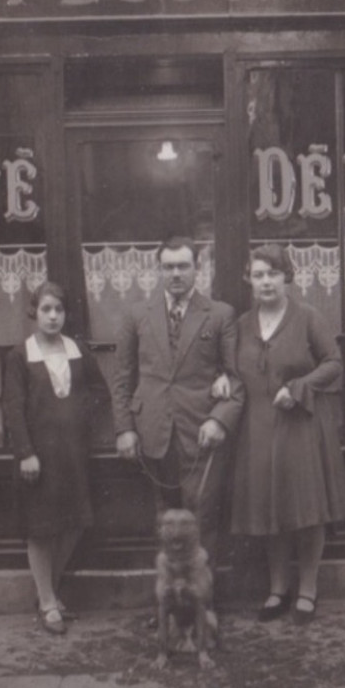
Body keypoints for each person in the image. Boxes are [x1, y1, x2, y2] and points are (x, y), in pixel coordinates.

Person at [230, 243, 345, 624]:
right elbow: (232, 371)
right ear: (248, 279)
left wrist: (299, 388)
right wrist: (223, 381)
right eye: (258, 274)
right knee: (270, 507)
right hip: (258, 429)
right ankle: (277, 588)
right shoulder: (240, 326)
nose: (265, 281)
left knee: (306, 508)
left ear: (287, 276)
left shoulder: (307, 317)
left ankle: (308, 589)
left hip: (300, 424)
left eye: (273, 273)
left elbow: (333, 363)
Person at [110, 236, 245, 566]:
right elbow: (122, 378)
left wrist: (219, 419)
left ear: (198, 269)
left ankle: (203, 599)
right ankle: (169, 600)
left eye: (183, 266)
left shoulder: (219, 314)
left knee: (203, 514)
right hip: (152, 431)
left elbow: (236, 377)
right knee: (164, 520)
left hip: (200, 431)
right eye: (168, 267)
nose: (175, 273)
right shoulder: (137, 315)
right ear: (158, 270)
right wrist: (124, 429)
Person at [3, 281, 104, 635]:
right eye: (45, 309)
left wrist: (78, 415)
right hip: (38, 458)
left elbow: (97, 390)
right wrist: (26, 453)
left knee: (74, 523)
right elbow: (13, 410)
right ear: (35, 312)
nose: (52, 316)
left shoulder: (78, 350)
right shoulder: (20, 355)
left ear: (66, 314)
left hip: (73, 454)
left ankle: (49, 590)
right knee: (41, 528)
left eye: (58, 310)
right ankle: (47, 601)